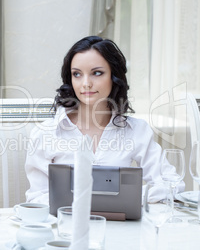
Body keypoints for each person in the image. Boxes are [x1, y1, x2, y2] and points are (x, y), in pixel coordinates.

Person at [25, 36, 184, 204]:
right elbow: (37, 197)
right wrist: (107, 196)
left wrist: (129, 195)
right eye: (77, 74)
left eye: (97, 73)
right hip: (66, 227)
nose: (86, 83)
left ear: (114, 77)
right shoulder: (45, 133)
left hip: (122, 228)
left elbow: (173, 184)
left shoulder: (136, 130)